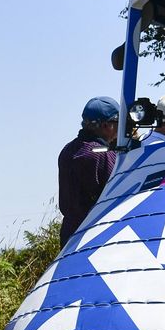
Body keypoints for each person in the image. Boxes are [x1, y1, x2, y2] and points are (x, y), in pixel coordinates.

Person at [58, 96, 119, 246]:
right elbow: (117, 194)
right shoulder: (102, 154)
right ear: (106, 125)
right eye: (118, 123)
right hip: (94, 234)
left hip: (69, 232)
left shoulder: (67, 150)